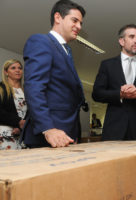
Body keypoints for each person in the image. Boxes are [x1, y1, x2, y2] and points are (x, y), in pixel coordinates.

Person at [22, 0, 88, 148]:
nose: (79, 26)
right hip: (48, 135)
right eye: (75, 20)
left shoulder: (66, 51)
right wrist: (48, 129)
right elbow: (34, 87)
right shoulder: (41, 41)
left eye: (81, 23)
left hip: (66, 134)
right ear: (58, 17)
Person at [92, 24, 136, 141]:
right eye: (131, 37)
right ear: (121, 41)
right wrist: (119, 94)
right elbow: (97, 94)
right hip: (114, 129)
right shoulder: (107, 65)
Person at [0, 59, 27, 150]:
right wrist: (17, 122)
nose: (17, 70)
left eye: (20, 68)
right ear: (6, 72)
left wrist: (22, 126)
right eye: (13, 68)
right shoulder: (1, 89)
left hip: (24, 134)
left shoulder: (27, 91)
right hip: (6, 133)